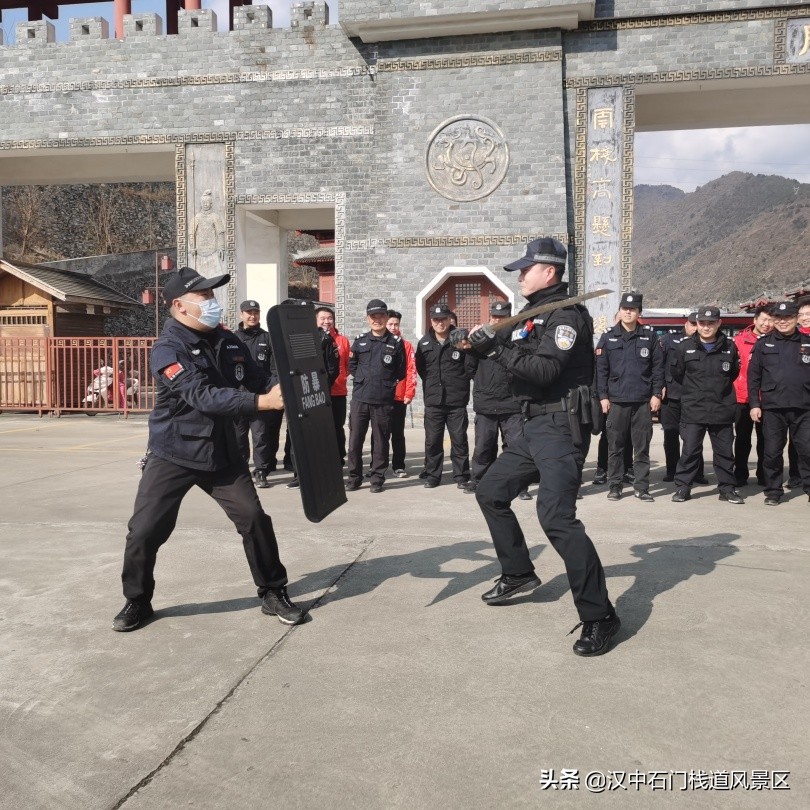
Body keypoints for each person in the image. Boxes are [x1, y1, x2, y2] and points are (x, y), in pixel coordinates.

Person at [113, 266, 304, 632]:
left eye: (212, 295)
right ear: (181, 306)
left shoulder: (228, 340)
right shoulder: (168, 349)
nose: (213, 303)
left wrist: (288, 386)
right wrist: (261, 403)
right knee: (145, 530)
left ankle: (273, 591)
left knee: (254, 519)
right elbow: (202, 396)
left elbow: (258, 378)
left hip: (224, 453)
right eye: (204, 297)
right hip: (175, 453)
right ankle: (137, 600)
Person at [461, 237, 620, 657]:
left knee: (556, 518)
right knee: (491, 491)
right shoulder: (535, 316)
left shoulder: (565, 316)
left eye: (525, 270)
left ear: (548, 272)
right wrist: (485, 345)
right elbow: (521, 361)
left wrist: (497, 350)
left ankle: (600, 615)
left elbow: (547, 369)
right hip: (534, 426)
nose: (519, 277)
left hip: (562, 427)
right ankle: (518, 572)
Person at [670, 306, 744, 505]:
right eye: (702, 323)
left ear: (719, 323)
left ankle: (727, 489)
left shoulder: (729, 346)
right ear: (697, 324)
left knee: (724, 453)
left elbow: (733, 373)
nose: (706, 327)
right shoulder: (685, 347)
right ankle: (683, 488)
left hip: (722, 408)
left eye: (711, 323)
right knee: (690, 451)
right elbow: (677, 373)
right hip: (694, 409)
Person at [596, 291, 664, 502]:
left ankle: (642, 487)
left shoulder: (650, 337)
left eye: (632, 309)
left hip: (642, 401)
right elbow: (602, 370)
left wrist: (656, 394)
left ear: (638, 312)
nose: (628, 312)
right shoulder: (608, 337)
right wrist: (603, 397)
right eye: (625, 309)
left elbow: (658, 368)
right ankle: (615, 486)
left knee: (641, 448)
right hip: (616, 401)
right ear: (620, 311)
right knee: (615, 447)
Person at [464, 300, 530, 500]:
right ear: (490, 318)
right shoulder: (479, 340)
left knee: (516, 447)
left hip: (512, 404)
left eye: (502, 318)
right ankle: (479, 480)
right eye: (495, 317)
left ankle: (520, 485)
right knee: (483, 447)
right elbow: (470, 369)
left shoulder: (519, 339)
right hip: (486, 404)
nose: (498, 321)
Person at [748, 301, 810, 505]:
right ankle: (773, 492)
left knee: (807, 450)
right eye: (778, 319)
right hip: (773, 407)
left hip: (804, 406)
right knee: (772, 452)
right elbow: (753, 376)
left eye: (788, 318)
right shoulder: (763, 344)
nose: (783, 322)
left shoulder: (807, 342)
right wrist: (754, 404)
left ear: (796, 319)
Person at [345, 299, 406, 493]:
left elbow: (401, 371)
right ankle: (354, 477)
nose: (377, 320)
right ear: (367, 319)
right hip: (360, 398)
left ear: (387, 317)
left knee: (381, 442)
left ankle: (377, 479)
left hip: (383, 399)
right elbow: (352, 366)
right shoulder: (360, 340)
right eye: (373, 316)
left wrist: (384, 383)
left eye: (381, 316)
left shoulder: (396, 343)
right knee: (355, 441)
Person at [415, 303, 475, 489]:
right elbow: (421, 369)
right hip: (434, 400)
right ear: (431, 321)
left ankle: (461, 476)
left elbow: (469, 366)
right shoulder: (424, 342)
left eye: (443, 319)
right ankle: (433, 476)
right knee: (432, 440)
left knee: (459, 440)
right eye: (436, 320)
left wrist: (459, 384)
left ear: (450, 319)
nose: (440, 323)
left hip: (456, 400)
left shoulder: (460, 339)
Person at [234, 300, 283, 489]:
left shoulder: (267, 338)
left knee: (261, 436)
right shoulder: (233, 338)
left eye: (255, 312)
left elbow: (275, 369)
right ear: (241, 315)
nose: (252, 316)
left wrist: (270, 390)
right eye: (248, 312)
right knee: (238, 437)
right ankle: (240, 471)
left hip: (260, 398)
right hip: (238, 397)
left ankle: (261, 471)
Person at [658, 312, 706, 484]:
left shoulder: (705, 343)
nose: (695, 328)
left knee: (693, 437)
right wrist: (660, 386)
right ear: (686, 324)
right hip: (670, 395)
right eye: (692, 324)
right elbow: (659, 364)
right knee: (670, 436)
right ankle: (672, 470)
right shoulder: (669, 340)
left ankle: (697, 472)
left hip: (694, 397)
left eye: (697, 324)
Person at [732, 305, 773, 487]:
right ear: (754, 320)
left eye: (770, 320)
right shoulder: (739, 341)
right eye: (763, 319)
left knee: (766, 440)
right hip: (743, 398)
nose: (767, 324)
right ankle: (740, 474)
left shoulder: (776, 340)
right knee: (742, 439)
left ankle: (764, 475)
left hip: (767, 398)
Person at [315, 305, 351, 466]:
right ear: (315, 320)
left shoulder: (342, 340)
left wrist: (341, 377)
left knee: (337, 426)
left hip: (338, 391)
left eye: (330, 318)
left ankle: (338, 457)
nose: (326, 321)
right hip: (317, 392)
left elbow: (348, 365)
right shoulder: (311, 339)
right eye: (323, 318)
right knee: (320, 428)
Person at [384, 310, 417, 477]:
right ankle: (378, 466)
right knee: (380, 433)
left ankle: (398, 465)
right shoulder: (378, 343)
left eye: (396, 324)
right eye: (390, 324)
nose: (393, 327)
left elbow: (412, 370)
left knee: (397, 433)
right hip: (380, 396)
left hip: (399, 396)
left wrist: (409, 393)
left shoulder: (406, 345)